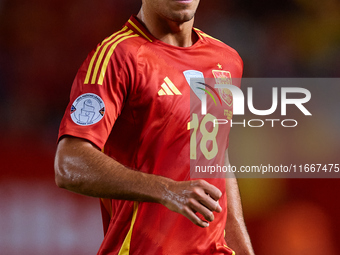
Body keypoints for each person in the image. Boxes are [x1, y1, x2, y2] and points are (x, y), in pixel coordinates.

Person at [54, 0, 255, 254]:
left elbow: (215, 156)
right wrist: (167, 190)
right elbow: (69, 162)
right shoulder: (118, 56)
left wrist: (243, 249)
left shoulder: (226, 60)